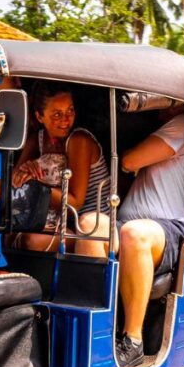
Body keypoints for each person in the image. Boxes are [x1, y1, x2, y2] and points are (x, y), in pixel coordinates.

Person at [75, 106, 184, 367]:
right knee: (90, 224)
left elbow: (130, 161)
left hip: (167, 227)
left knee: (133, 234)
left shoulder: (181, 124)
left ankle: (133, 341)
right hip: (127, 221)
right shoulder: (163, 127)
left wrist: (127, 150)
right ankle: (96, 330)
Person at [10, 84, 109, 251]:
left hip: (88, 227)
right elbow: (15, 180)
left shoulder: (79, 140)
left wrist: (36, 183)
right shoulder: (37, 140)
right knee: (7, 236)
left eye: (70, 111)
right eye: (57, 114)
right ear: (40, 116)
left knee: (32, 241)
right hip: (56, 222)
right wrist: (25, 170)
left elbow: (74, 205)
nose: (65, 119)